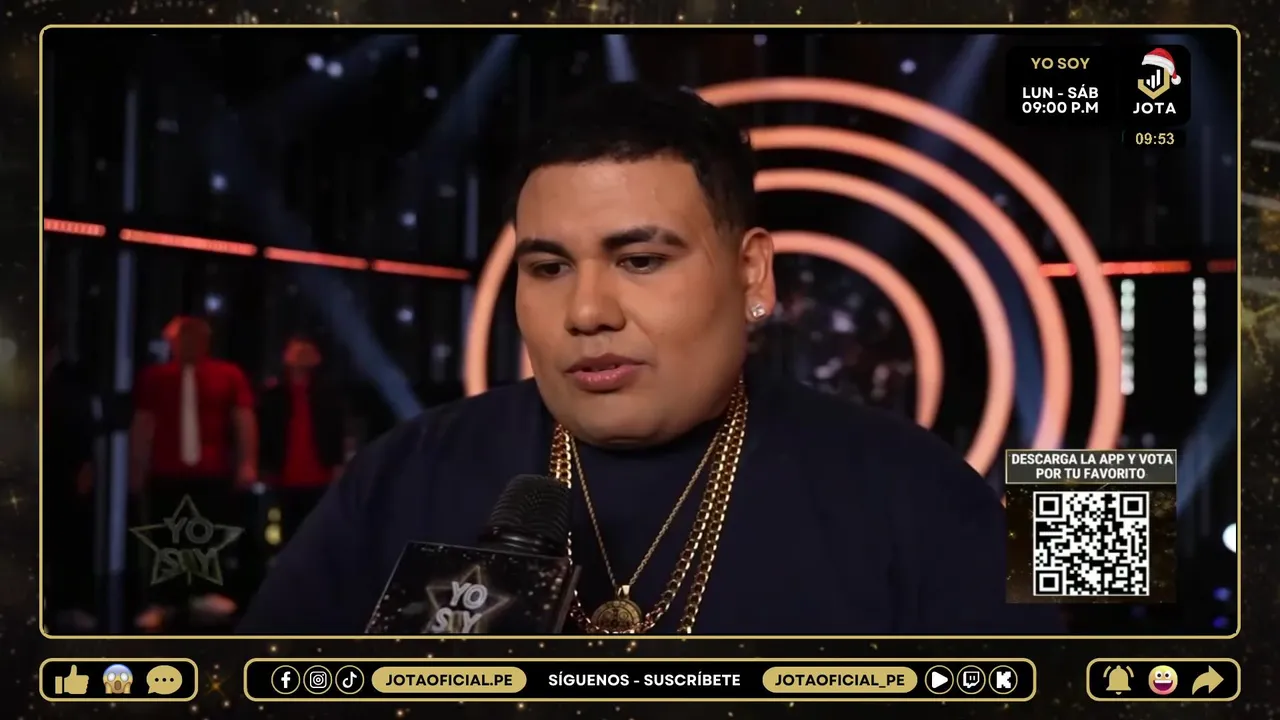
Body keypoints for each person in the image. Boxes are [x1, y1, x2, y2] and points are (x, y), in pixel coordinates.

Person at [241, 83, 1062, 635]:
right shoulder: (402, 479)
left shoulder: (918, 496)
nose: (587, 312)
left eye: (640, 260)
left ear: (752, 273)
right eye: (548, 268)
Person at [130, 316, 258, 631]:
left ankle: (207, 591)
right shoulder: (155, 378)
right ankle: (164, 600)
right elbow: (144, 424)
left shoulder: (228, 375)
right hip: (166, 470)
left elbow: (243, 420)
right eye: (180, 338)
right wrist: (137, 466)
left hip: (212, 470)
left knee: (210, 532)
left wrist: (247, 463)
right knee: (165, 534)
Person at [259, 336, 345, 542]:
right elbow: (266, 432)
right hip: (283, 476)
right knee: (287, 529)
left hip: (320, 475)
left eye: (306, 351)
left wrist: (338, 465)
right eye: (297, 352)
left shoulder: (327, 394)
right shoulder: (274, 395)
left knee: (318, 531)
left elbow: (336, 431)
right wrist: (264, 467)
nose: (301, 357)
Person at [42, 316, 98, 632]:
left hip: (66, 470)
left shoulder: (73, 379)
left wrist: (86, 467)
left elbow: (82, 426)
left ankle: (69, 603)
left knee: (66, 537)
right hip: (36, 470)